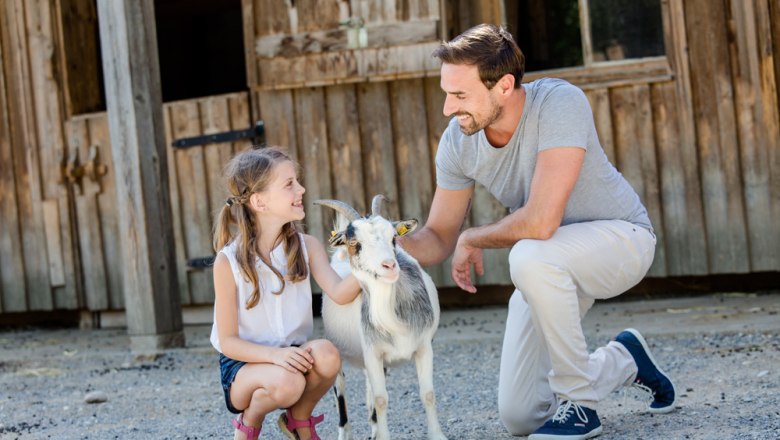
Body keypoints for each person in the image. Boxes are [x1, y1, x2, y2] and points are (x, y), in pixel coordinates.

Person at [399, 24, 677, 439]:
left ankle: (581, 406)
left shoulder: (559, 102)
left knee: (528, 253)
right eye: (446, 92)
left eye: (459, 95)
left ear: (504, 86)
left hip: (622, 240)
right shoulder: (458, 142)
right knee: (522, 416)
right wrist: (383, 243)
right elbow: (438, 236)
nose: (447, 108)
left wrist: (473, 237)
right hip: (549, 265)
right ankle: (624, 359)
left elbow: (541, 220)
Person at [210, 146, 361, 440]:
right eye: (289, 184)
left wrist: (372, 263)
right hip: (243, 368)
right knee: (288, 382)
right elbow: (227, 341)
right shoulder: (227, 261)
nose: (301, 189)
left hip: (290, 360)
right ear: (259, 202)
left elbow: (340, 293)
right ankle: (249, 420)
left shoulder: (308, 246)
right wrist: (274, 357)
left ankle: (298, 420)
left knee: (328, 355)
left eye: (298, 181)